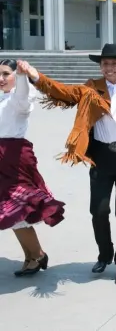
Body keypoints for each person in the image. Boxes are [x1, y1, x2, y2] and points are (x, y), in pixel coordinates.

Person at [20, 43, 116, 285]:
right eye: (105, 64)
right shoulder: (90, 89)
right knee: (99, 211)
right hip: (101, 158)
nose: (109, 68)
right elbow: (62, 92)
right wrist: (35, 76)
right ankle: (105, 255)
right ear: (100, 66)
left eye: (114, 64)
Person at [0, 59, 65, 276]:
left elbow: (20, 96)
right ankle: (31, 256)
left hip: (14, 160)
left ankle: (37, 254)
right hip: (3, 160)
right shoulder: (2, 99)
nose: (1, 79)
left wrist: (21, 76)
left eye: (6, 74)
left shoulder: (20, 100)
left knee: (17, 213)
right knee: (11, 214)